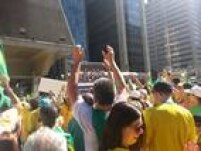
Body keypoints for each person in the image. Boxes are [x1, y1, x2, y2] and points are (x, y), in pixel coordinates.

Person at [67, 45, 127, 151]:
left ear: (94, 98)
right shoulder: (120, 111)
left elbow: (72, 89)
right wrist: (112, 62)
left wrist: (77, 62)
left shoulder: (86, 115)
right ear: (113, 96)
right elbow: (122, 88)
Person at [142, 82, 197, 151]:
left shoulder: (150, 113)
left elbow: (143, 143)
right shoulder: (187, 113)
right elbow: (191, 143)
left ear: (157, 94)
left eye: (151, 94)